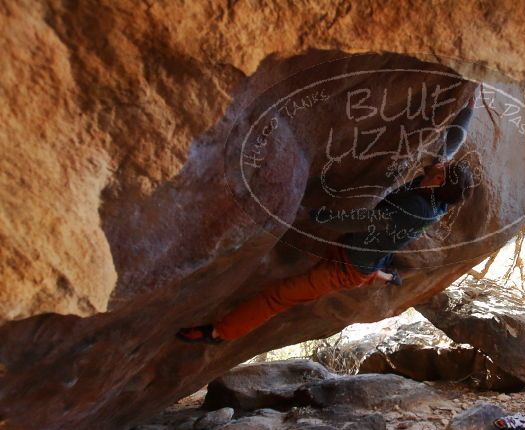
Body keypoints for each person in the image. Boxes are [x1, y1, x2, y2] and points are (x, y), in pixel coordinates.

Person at [177, 96, 476, 344]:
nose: (439, 165)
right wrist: (468, 106)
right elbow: (450, 144)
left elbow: (362, 221)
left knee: (280, 296)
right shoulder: (439, 188)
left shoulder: (417, 207)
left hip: (346, 268)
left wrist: (316, 216)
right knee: (375, 259)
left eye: (439, 170)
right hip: (360, 250)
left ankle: (219, 333)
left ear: (438, 182)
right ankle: (384, 273)